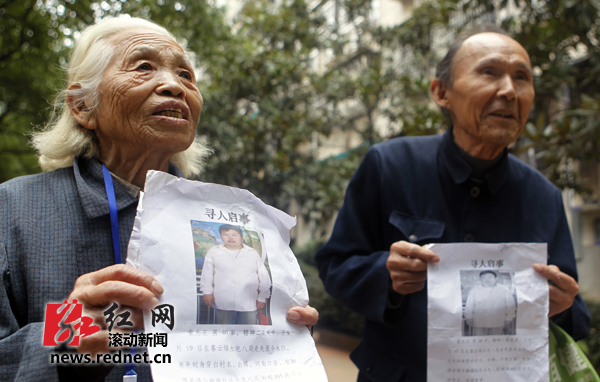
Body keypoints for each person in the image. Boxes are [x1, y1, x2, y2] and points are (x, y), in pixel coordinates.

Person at [0, 16, 318, 382]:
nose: (174, 86)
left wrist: (281, 343)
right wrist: (66, 336)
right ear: (83, 106)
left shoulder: (231, 220)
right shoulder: (12, 208)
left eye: (186, 75)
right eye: (144, 67)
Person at [315, 24, 590, 382]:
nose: (508, 90)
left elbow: (574, 309)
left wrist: (564, 306)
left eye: (522, 77)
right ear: (441, 91)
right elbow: (335, 266)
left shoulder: (545, 197)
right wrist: (387, 275)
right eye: (489, 72)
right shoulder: (389, 165)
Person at [200, 224, 272, 324]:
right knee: (225, 333)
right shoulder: (214, 252)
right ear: (221, 236)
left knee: (248, 334)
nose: (230, 238)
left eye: (234, 235)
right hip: (223, 302)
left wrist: (262, 297)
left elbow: (263, 276)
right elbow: (207, 273)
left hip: (248, 303)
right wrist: (207, 292)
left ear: (241, 237)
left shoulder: (252, 253)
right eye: (225, 234)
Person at [464, 270, 516, 336]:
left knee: (496, 339)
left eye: (490, 277)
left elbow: (510, 305)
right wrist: (468, 317)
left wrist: (509, 318)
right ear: (480, 279)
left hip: (498, 320)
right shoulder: (475, 290)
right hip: (479, 320)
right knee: (480, 340)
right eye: (483, 277)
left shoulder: (504, 290)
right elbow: (469, 305)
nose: (487, 280)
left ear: (496, 278)